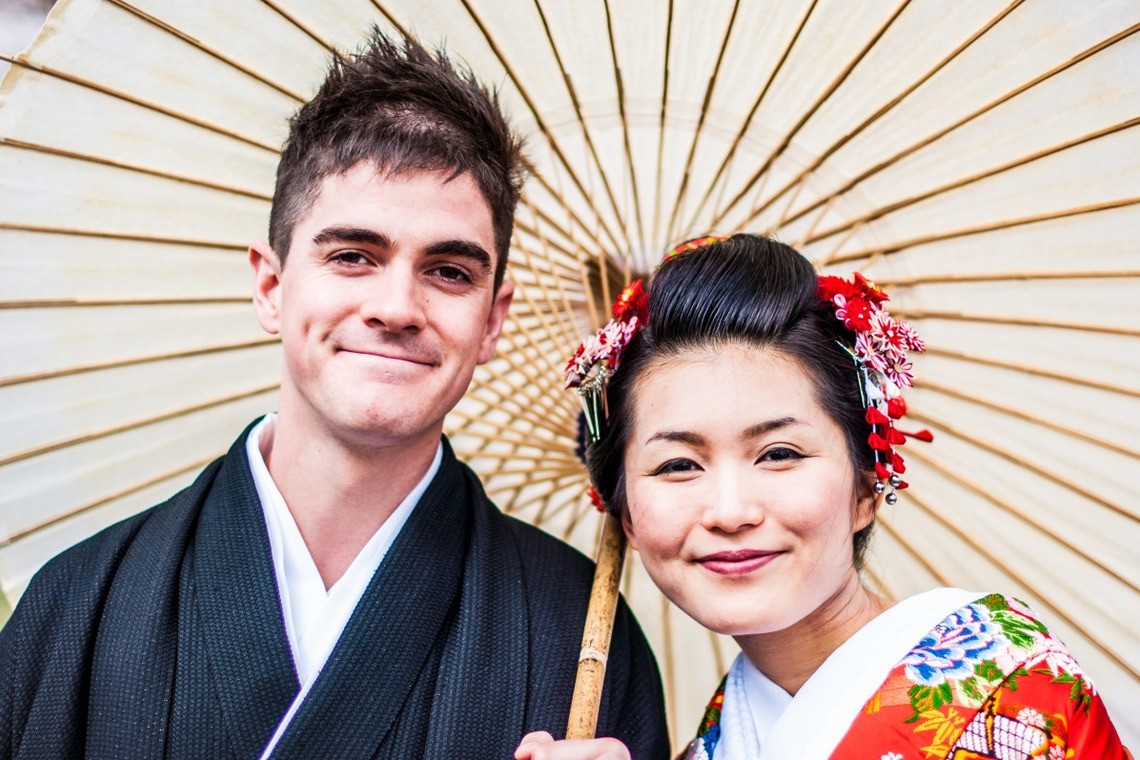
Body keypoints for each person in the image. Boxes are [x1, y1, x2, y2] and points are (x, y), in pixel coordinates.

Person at [0, 30, 670, 759]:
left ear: (492, 319)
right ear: (271, 285)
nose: (396, 306)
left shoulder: (576, 635)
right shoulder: (75, 611)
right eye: (353, 256)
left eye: (449, 271)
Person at [516, 234, 1130, 759]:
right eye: (678, 464)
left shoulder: (1008, 688)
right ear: (623, 513)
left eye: (779, 454)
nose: (730, 512)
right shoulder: (713, 743)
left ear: (867, 485)